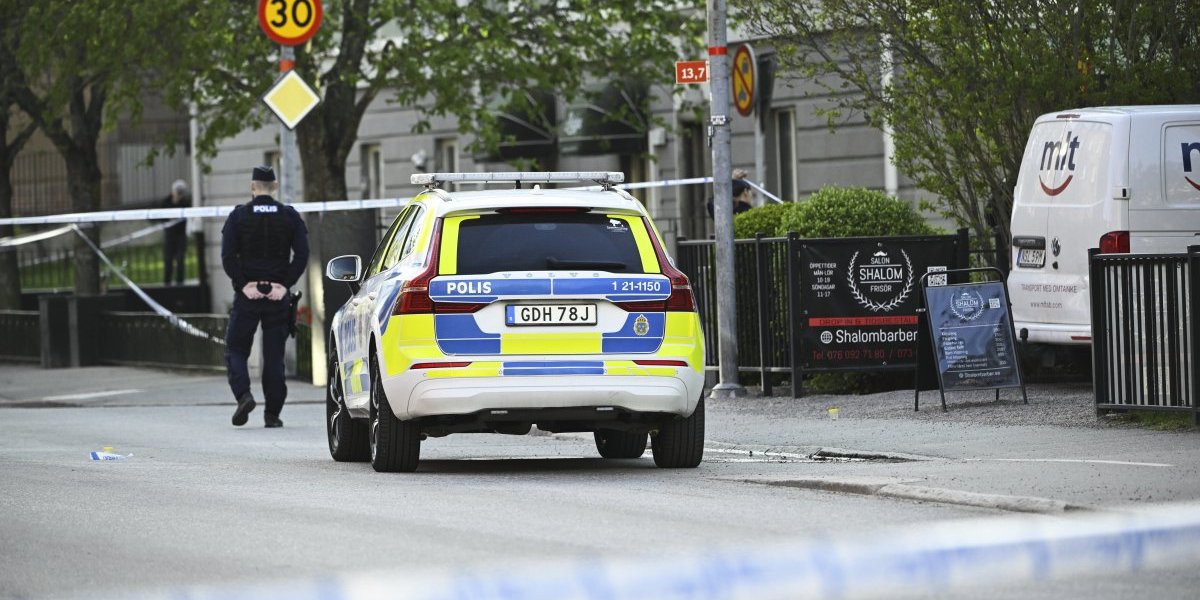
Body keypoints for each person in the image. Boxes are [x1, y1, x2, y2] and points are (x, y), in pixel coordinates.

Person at [221, 166, 309, 428]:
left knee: (236, 349)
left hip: (248, 295)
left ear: (252, 187)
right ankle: (272, 414)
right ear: (275, 187)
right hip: (277, 297)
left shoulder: (238, 216)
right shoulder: (289, 216)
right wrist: (284, 284)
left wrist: (243, 284)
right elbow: (302, 255)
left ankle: (244, 395)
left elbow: (227, 257)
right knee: (273, 356)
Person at [162, 180, 192, 285]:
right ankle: (167, 283)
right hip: (169, 235)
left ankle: (180, 283)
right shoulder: (166, 202)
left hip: (180, 235)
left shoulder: (185, 203)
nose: (178, 195)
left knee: (180, 260)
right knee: (168, 260)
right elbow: (160, 216)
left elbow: (188, 216)